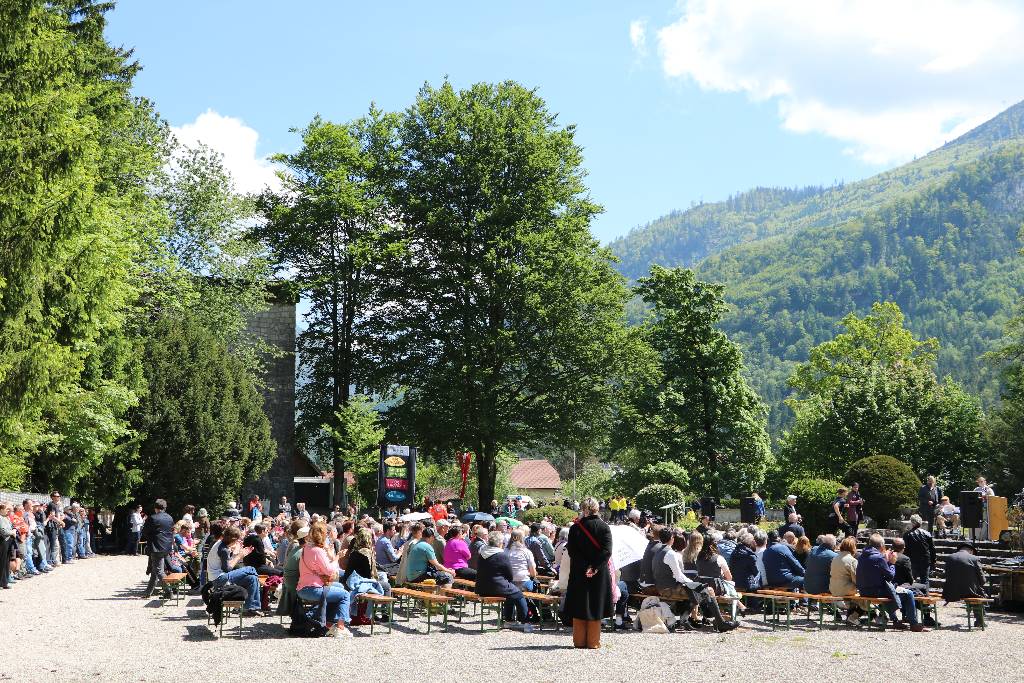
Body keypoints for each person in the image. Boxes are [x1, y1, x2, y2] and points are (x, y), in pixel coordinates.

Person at [564, 497, 613, 648]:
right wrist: (594, 567)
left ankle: (578, 641)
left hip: (579, 571)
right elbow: (607, 551)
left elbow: (572, 552)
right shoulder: (604, 527)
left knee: (580, 604)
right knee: (596, 604)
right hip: (598, 572)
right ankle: (593, 642)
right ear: (597, 509)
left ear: (584, 509)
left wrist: (585, 566)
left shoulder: (575, 528)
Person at [856, 533, 923, 631]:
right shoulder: (879, 558)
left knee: (890, 590)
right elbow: (890, 576)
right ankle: (913, 624)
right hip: (876, 591)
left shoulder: (862, 556)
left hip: (863, 591)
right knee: (908, 594)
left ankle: (895, 620)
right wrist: (892, 563)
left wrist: (886, 561)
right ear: (882, 546)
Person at [297, 522, 353, 637]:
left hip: (303, 587)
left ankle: (328, 622)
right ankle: (340, 627)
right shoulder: (317, 550)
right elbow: (330, 571)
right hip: (312, 589)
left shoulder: (306, 548)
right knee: (345, 595)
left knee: (340, 588)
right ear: (322, 535)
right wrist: (337, 557)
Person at [476, 530, 532, 630]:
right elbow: (509, 574)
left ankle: (509, 620)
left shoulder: (482, 553)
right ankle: (524, 621)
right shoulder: (501, 555)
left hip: (481, 587)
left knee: (510, 594)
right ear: (500, 542)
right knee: (518, 595)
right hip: (496, 586)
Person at [942, 540, 988, 627]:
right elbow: (983, 580)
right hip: (968, 591)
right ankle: (979, 620)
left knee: (974, 589)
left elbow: (946, 574)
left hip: (950, 591)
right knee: (978, 592)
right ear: (971, 550)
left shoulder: (949, 557)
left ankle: (979, 619)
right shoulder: (974, 559)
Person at [141, 499, 175, 599]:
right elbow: (172, 531)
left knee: (159, 570)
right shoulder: (169, 517)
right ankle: (148, 592)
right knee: (155, 570)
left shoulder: (152, 518)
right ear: (164, 507)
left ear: (156, 508)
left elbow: (145, 532)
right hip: (167, 547)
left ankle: (169, 592)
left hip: (156, 547)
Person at [829, 536, 863, 625]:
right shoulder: (852, 560)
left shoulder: (835, 558)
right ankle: (853, 616)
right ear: (853, 547)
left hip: (833, 588)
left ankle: (850, 616)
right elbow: (856, 579)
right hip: (845, 590)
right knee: (864, 598)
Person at [902, 514, 935, 594]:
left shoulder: (907, 534)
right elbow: (932, 549)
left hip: (912, 560)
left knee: (911, 580)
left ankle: (913, 598)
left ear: (912, 523)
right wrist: (933, 561)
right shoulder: (927, 534)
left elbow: (905, 550)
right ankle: (925, 600)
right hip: (925, 560)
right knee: (925, 580)